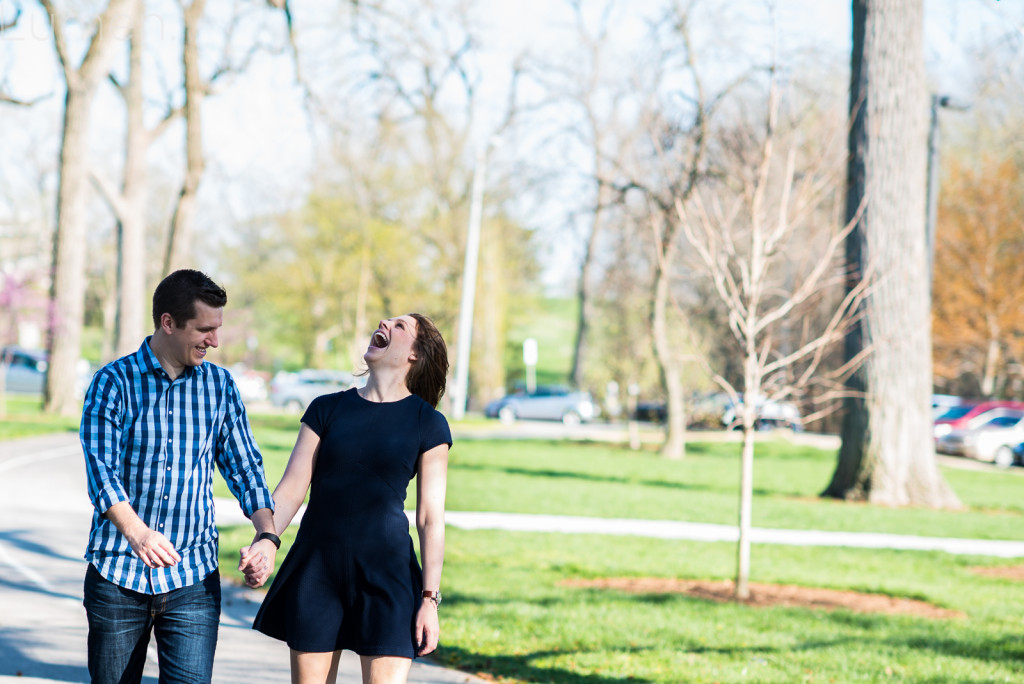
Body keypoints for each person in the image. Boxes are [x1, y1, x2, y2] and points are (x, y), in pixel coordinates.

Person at [80, 269, 280, 684]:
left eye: (217, 328)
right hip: (118, 575)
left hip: (193, 581)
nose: (215, 341)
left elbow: (245, 467)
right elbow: (101, 471)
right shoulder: (112, 383)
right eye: (204, 329)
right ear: (168, 322)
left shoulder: (221, 387)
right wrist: (138, 533)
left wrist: (266, 535)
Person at [248, 313, 451, 684]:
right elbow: (292, 488)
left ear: (415, 355)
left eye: (401, 326)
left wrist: (429, 599)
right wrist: (266, 540)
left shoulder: (428, 423)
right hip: (317, 571)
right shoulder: (326, 409)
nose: (386, 323)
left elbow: (430, 519)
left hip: (387, 577)